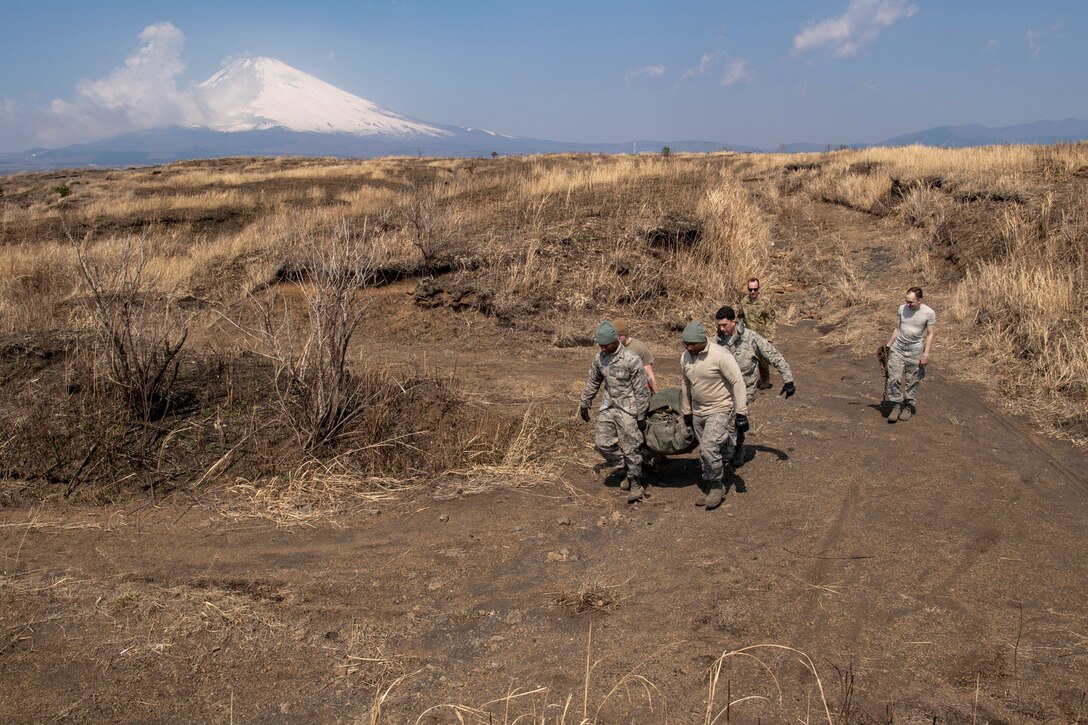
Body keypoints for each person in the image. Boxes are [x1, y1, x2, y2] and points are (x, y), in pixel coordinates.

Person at [579, 321, 651, 502]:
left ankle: (636, 483)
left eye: (605, 345)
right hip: (609, 405)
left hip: (628, 408)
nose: (602, 349)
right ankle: (625, 467)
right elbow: (593, 381)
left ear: (615, 341)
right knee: (602, 443)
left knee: (631, 446)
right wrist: (584, 402)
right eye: (600, 345)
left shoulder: (631, 359)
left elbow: (641, 390)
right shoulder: (599, 358)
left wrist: (641, 416)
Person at [679, 321, 749, 510]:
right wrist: (687, 411)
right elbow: (685, 384)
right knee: (705, 451)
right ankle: (711, 482)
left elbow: (737, 382)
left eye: (692, 344)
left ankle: (717, 486)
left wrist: (741, 413)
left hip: (720, 408)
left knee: (708, 448)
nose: (689, 347)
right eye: (686, 344)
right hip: (698, 411)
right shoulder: (686, 356)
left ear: (703, 340)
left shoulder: (720, 355)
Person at [714, 306, 795, 467]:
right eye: (719, 325)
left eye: (724, 325)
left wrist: (788, 379)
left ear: (733, 321)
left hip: (745, 388)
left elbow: (773, 355)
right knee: (723, 420)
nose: (721, 329)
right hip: (723, 388)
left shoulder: (751, 338)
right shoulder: (716, 340)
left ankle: (735, 451)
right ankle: (726, 451)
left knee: (735, 419)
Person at [884, 287, 936, 423]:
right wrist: (888, 345)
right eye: (907, 301)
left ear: (920, 300)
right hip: (898, 348)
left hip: (915, 350)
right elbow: (897, 328)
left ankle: (908, 406)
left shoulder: (929, 313)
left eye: (911, 302)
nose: (908, 304)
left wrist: (926, 354)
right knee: (893, 377)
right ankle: (896, 404)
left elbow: (930, 335)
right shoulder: (902, 309)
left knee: (912, 380)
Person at [738, 278, 777, 389]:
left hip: (762, 336)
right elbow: (740, 317)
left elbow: (771, 320)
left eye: (755, 289)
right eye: (750, 289)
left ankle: (765, 380)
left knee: (763, 361)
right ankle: (750, 382)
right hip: (748, 336)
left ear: (759, 289)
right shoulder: (743, 302)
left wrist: (769, 337)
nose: (753, 292)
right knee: (748, 360)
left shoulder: (765, 302)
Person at [615, 320, 659, 394]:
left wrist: (657, 396)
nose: (616, 340)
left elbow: (649, 374)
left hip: (637, 393)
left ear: (624, 335)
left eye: (618, 337)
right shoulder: (612, 347)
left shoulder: (640, 348)